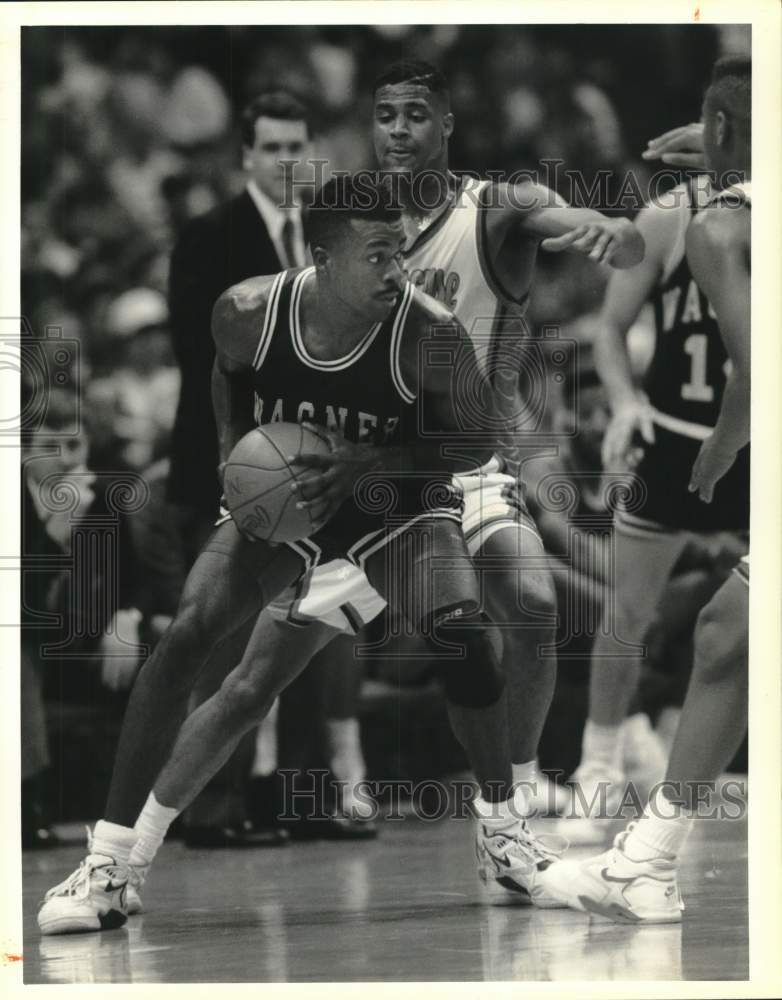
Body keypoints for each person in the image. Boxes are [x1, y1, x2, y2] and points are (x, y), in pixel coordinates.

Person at [38, 175, 524, 935]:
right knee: (194, 643)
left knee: (467, 645)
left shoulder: (430, 333)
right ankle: (112, 861)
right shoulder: (246, 313)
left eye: (401, 251)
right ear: (321, 257)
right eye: (378, 255)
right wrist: (237, 457)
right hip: (294, 504)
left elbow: (477, 442)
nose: (398, 270)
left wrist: (370, 462)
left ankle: (503, 836)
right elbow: (225, 379)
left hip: (393, 505)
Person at [246, 59, 645, 871]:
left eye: (417, 115)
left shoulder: (496, 208)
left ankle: (514, 805)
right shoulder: (357, 216)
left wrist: (611, 230)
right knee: (265, 655)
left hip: (466, 461)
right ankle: (144, 835)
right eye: (386, 114)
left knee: (531, 603)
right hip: (371, 465)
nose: (398, 130)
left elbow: (601, 228)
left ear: (448, 125)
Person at [546, 55, 751, 922]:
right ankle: (600, 777)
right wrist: (626, 403)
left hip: (743, 437)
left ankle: (651, 851)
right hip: (675, 436)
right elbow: (609, 333)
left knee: (728, 632)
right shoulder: (672, 217)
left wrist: (722, 451)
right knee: (654, 619)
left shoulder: (730, 225)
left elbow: (756, 367)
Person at [168, 90, 368, 844]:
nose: (287, 160)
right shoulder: (208, 236)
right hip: (240, 461)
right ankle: (213, 810)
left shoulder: (330, 237)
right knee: (229, 638)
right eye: (272, 148)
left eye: (296, 147)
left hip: (323, 469)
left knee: (318, 625)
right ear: (246, 156)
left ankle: (305, 799)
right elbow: (203, 355)